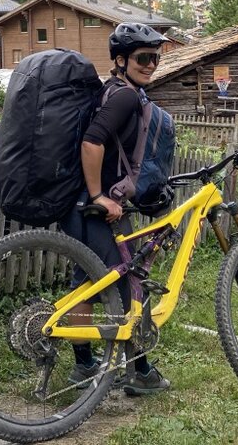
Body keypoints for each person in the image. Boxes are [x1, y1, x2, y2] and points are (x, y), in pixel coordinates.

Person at [59, 21, 171, 396]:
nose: (151, 64)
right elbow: (92, 144)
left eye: (155, 57)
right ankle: (139, 372)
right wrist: (98, 196)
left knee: (86, 283)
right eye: (143, 57)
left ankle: (83, 366)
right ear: (121, 60)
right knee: (126, 282)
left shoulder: (117, 92)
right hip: (89, 207)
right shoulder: (124, 97)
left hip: (79, 208)